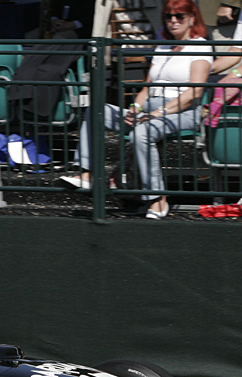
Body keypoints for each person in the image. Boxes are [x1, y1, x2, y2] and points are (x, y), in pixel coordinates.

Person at [59, 0, 211, 219]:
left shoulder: (201, 46)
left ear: (192, 18)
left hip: (183, 112)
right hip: (150, 110)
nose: (173, 21)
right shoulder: (163, 45)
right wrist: (134, 108)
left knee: (143, 132)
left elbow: (194, 93)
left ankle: (158, 199)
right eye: (169, 16)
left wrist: (159, 113)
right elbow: (147, 88)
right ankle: (87, 174)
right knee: (96, 110)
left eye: (180, 16)